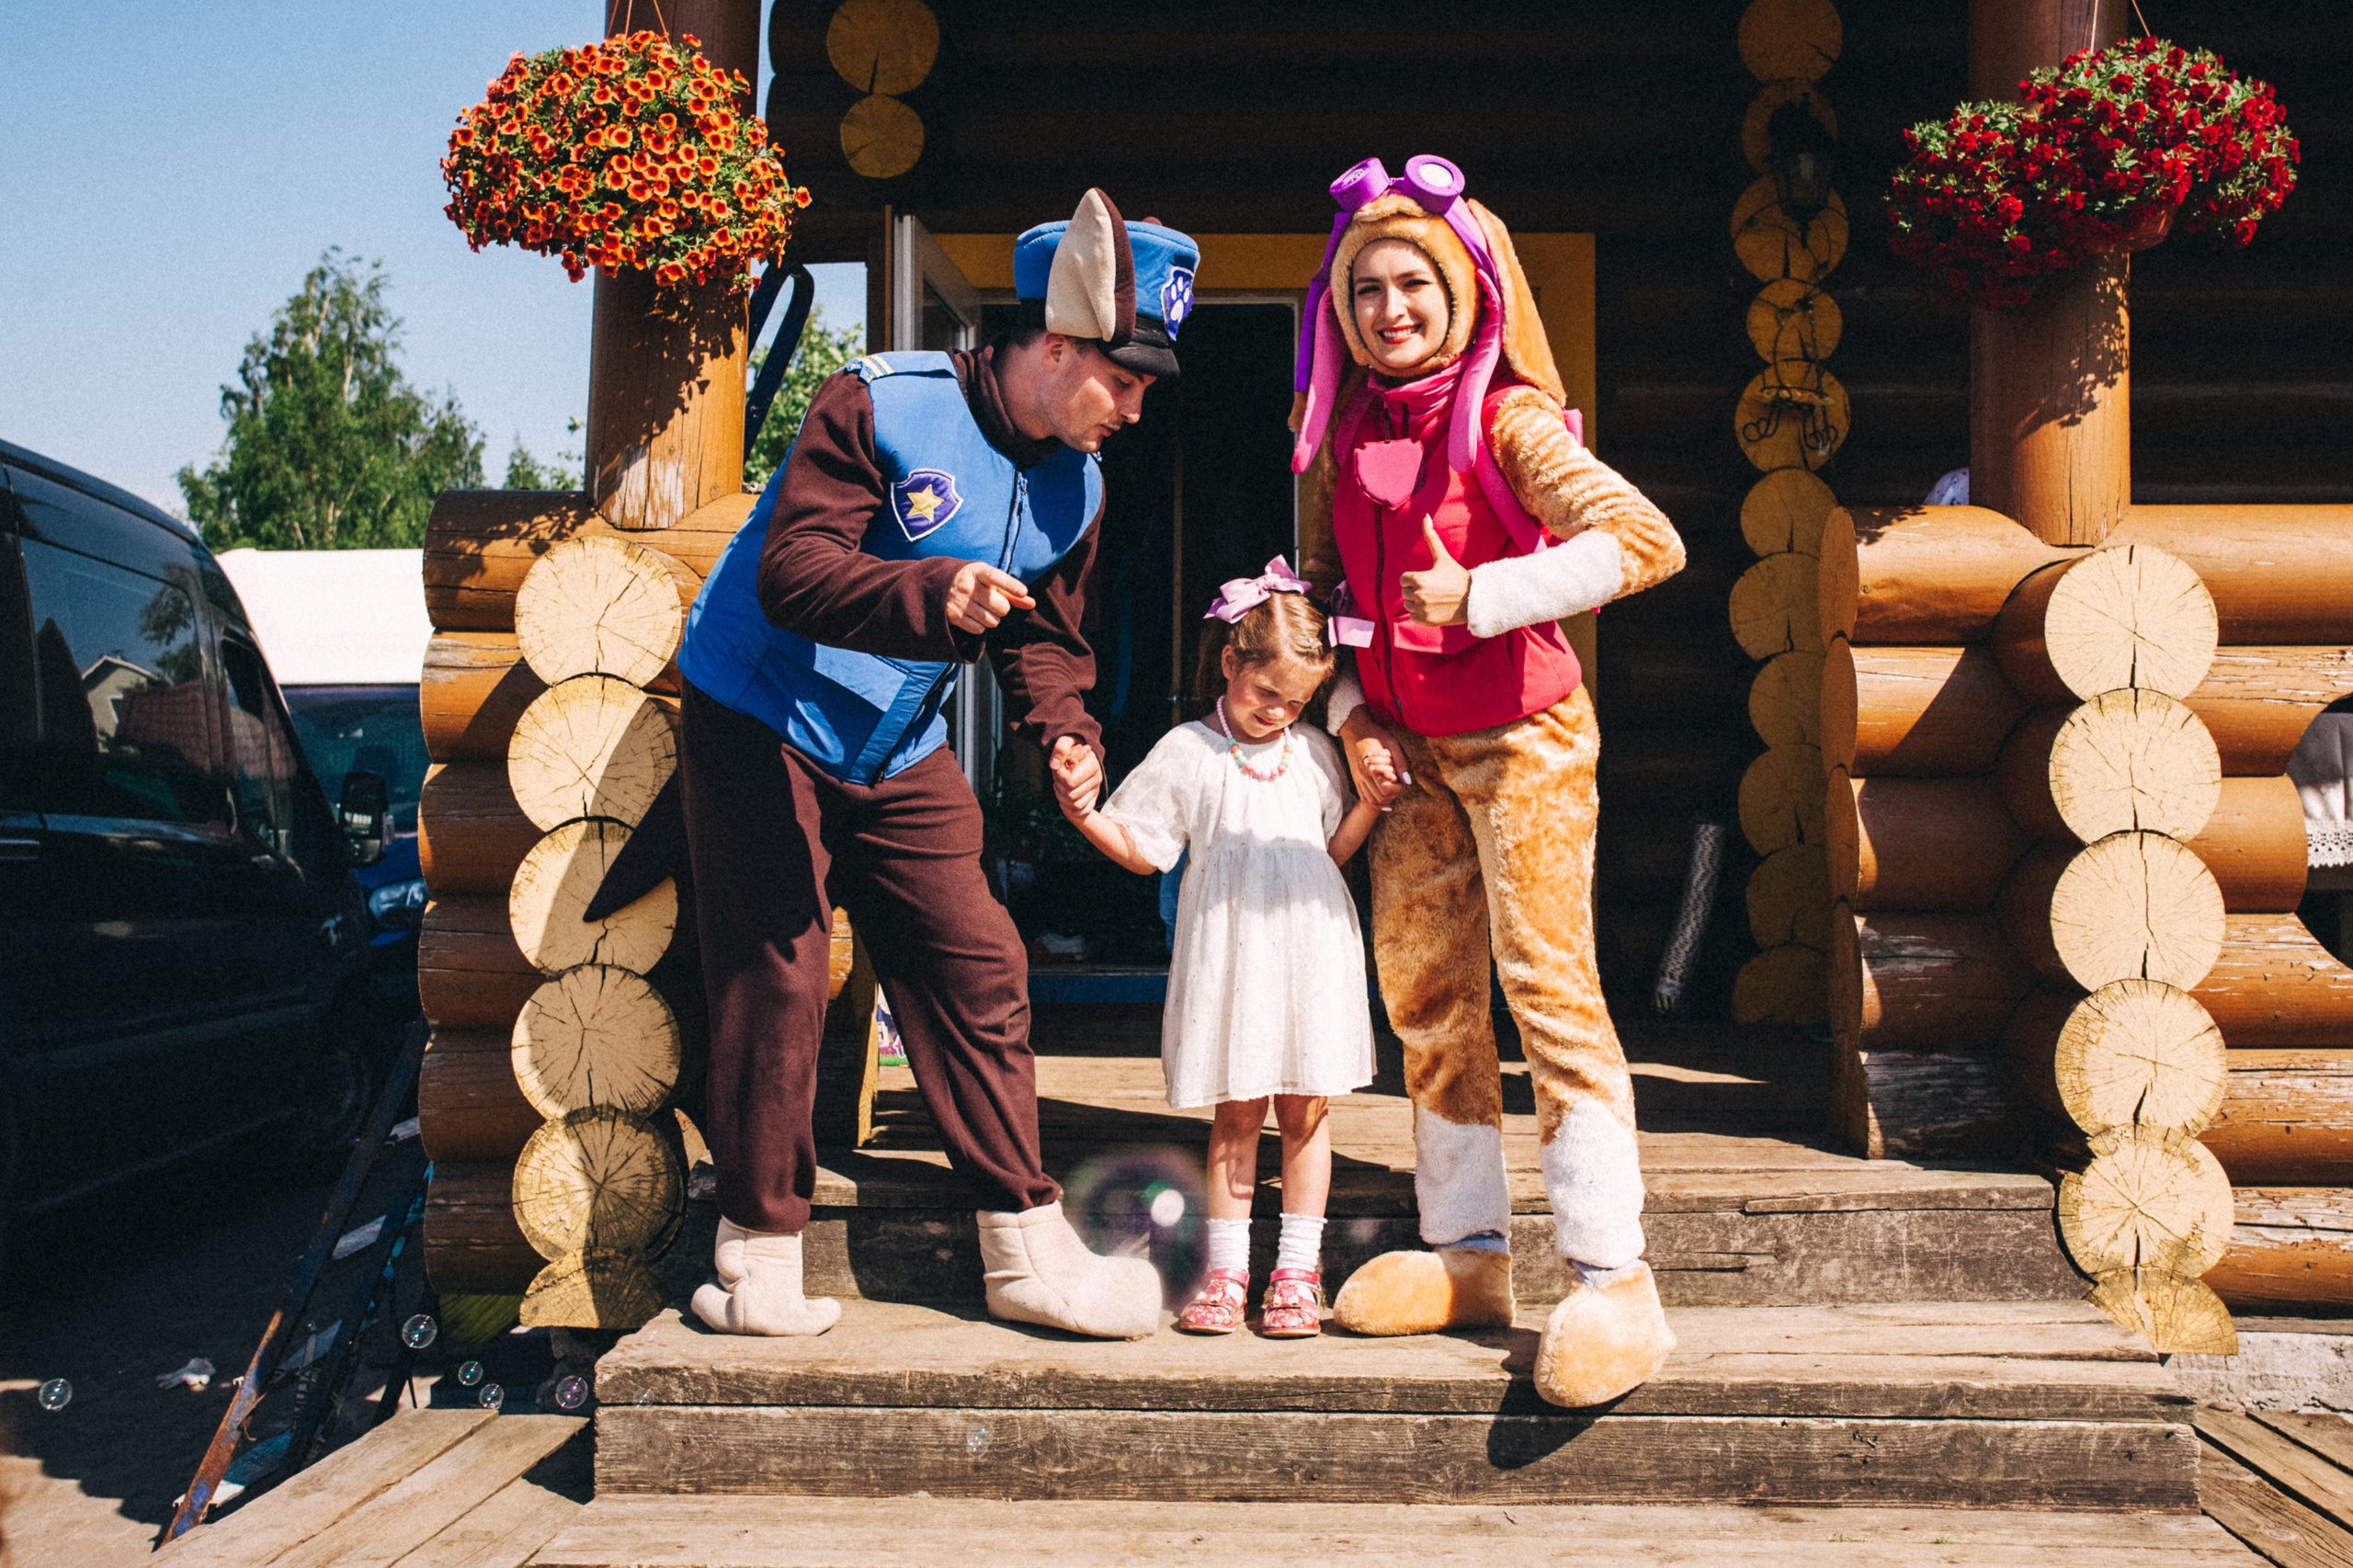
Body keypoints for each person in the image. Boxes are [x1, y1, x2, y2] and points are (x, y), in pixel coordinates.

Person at [675, 189, 1201, 1340]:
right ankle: (755, 1256)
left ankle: (1023, 1246)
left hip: (895, 740)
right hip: (761, 713)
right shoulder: (878, 403)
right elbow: (792, 570)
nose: (1135, 408)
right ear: (1056, 348)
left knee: (982, 962)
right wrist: (931, 590)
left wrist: (1065, 729)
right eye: (1125, 380)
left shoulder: (1081, 481)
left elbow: (1047, 635)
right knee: (780, 973)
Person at [1289, 155, 1688, 1404]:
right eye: (1366, 289)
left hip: (1522, 734)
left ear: (1467, 289)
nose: (1388, 308)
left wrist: (1484, 596)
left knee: (1546, 987)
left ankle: (1616, 1276)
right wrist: (1351, 714)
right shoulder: (1340, 434)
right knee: (1425, 991)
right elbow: (1319, 600)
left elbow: (1645, 540)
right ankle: (1467, 1252)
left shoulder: (1506, 421)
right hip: (1403, 747)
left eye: (1413, 283)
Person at [1051, 563, 1391, 1337]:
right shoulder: (1187, 752)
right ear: (1231, 663)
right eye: (1267, 694)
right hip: (1234, 961)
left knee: (1307, 1112)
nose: (1280, 713)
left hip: (1310, 950)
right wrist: (1082, 814)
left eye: (1296, 702)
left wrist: (1369, 806)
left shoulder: (1314, 752)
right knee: (1236, 1117)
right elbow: (1143, 850)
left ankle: (1297, 1273)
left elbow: (1328, 849)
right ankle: (1228, 1270)